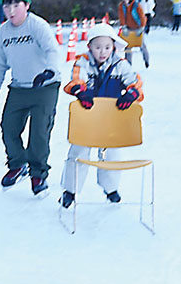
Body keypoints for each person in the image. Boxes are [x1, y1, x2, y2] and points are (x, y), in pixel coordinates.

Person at [0, 0, 60, 196]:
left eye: (16, 5)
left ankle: (38, 173)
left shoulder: (37, 26)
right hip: (19, 87)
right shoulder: (3, 32)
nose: (11, 11)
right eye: (6, 5)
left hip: (45, 86)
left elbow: (52, 51)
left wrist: (49, 71)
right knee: (8, 127)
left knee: (38, 133)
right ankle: (18, 164)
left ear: (26, 5)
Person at [59, 22, 144, 208]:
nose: (102, 52)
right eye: (98, 47)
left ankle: (110, 188)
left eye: (107, 47)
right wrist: (82, 91)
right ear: (89, 46)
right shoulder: (82, 62)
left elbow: (135, 82)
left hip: (111, 118)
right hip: (88, 117)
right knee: (78, 153)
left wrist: (131, 94)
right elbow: (76, 80)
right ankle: (70, 191)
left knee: (111, 154)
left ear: (113, 47)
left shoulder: (120, 65)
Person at [118, 0, 149, 68]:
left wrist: (142, 27)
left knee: (141, 45)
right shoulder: (122, 6)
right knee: (128, 47)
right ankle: (128, 65)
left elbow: (142, 17)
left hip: (138, 28)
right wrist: (123, 26)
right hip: (128, 28)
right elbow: (121, 16)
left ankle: (146, 60)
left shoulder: (137, 5)